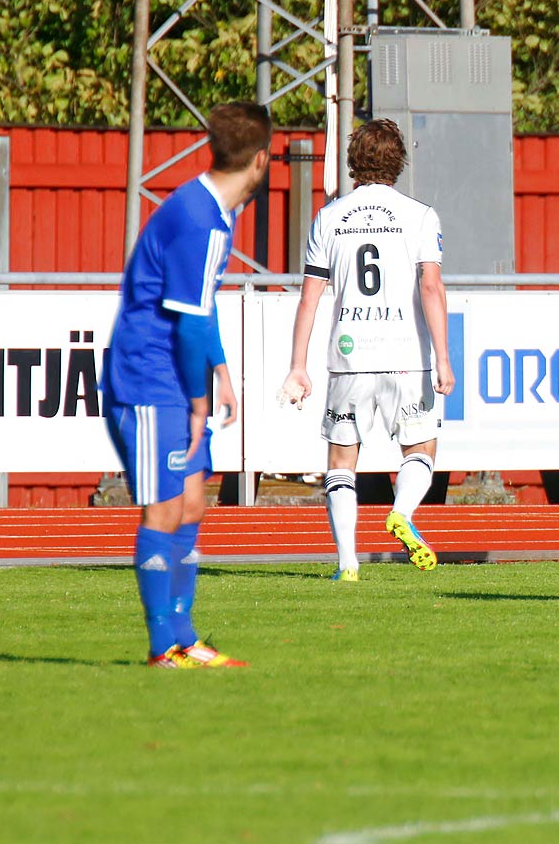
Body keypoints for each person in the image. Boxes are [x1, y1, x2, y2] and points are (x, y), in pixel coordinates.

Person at [102, 101, 272, 667]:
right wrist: (201, 401)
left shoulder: (212, 210)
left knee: (194, 503)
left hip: (174, 373)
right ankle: (161, 647)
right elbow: (190, 317)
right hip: (148, 377)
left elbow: (200, 306)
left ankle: (185, 635)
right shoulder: (198, 218)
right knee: (164, 511)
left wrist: (219, 369)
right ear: (262, 160)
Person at [282, 119, 455, 580]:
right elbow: (432, 286)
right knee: (420, 449)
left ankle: (348, 563)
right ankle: (401, 512)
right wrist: (443, 357)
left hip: (349, 355)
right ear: (398, 162)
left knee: (342, 461)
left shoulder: (330, 217)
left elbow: (310, 297)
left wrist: (298, 366)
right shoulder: (419, 215)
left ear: (353, 161)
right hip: (405, 355)